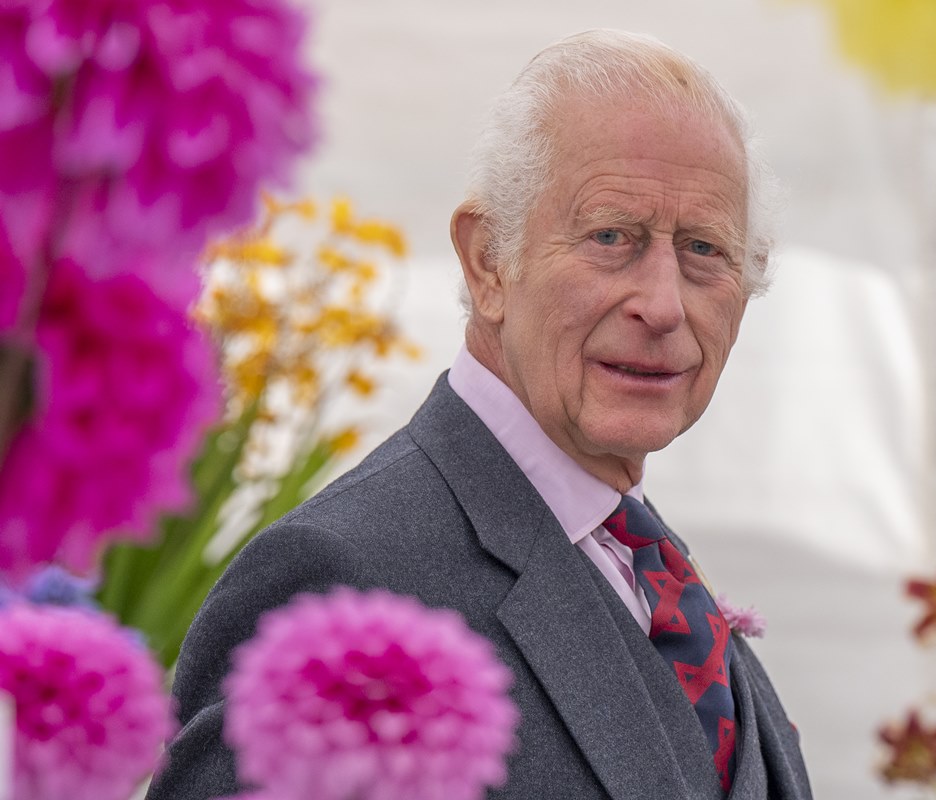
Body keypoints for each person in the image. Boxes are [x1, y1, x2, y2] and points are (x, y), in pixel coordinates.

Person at [149, 29, 814, 800]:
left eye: (704, 249)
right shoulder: (339, 582)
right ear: (488, 261)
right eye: (610, 237)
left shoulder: (647, 567)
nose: (663, 305)